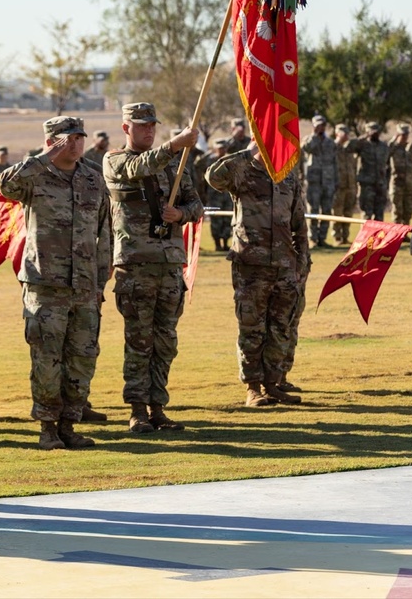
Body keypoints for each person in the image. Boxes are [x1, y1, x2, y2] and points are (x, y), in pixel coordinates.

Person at [0, 116, 111, 450]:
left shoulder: (92, 178)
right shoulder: (35, 176)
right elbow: (5, 185)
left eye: (80, 138)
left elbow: (104, 230)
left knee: (82, 357)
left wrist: (102, 275)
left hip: (85, 287)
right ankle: (47, 428)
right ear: (51, 141)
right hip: (46, 285)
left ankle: (69, 425)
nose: (76, 144)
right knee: (47, 360)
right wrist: (43, 157)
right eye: (68, 139)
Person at [103, 103, 203, 433]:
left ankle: (158, 407)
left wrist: (182, 215)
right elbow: (140, 167)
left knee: (165, 342)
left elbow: (196, 204)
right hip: (136, 265)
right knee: (139, 342)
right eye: (142, 125)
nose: (148, 130)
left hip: (170, 264)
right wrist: (175, 143)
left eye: (152, 125)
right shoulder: (115, 160)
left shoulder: (176, 164)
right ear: (125, 128)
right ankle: (137, 410)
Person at [205, 142, 310, 407]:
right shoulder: (242, 171)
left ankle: (273, 384)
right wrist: (248, 151)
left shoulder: (288, 177)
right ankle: (253, 388)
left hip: (285, 265)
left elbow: (299, 225)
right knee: (252, 328)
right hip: (251, 264)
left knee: (280, 327)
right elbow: (212, 177)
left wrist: (302, 263)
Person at [300, 114, 339, 248]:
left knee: (327, 211)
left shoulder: (330, 143)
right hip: (314, 182)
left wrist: (336, 181)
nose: (320, 127)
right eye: (318, 125)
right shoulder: (308, 140)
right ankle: (313, 239)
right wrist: (314, 135)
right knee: (313, 210)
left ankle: (322, 238)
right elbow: (306, 148)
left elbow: (335, 163)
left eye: (322, 125)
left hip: (328, 182)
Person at [196, 139, 234, 251]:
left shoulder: (230, 160)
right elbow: (198, 164)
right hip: (213, 196)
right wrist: (209, 152)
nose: (221, 150)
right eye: (219, 148)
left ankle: (226, 243)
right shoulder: (210, 160)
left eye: (223, 148)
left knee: (227, 220)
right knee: (216, 220)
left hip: (227, 195)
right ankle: (217, 244)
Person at [353, 122, 391, 221]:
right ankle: (366, 236)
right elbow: (349, 147)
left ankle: (378, 236)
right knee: (367, 215)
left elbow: (388, 165)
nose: (375, 134)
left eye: (377, 132)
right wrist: (363, 137)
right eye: (373, 132)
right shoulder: (362, 145)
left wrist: (386, 181)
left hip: (380, 184)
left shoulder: (384, 146)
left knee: (379, 215)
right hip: (367, 185)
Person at [331, 124, 359, 245]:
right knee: (337, 212)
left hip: (350, 185)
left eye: (347, 132)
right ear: (337, 133)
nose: (346, 135)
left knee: (348, 213)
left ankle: (345, 237)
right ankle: (337, 237)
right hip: (338, 186)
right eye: (343, 132)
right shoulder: (332, 148)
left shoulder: (349, 150)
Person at [388, 123, 412, 225]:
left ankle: (404, 233)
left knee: (408, 210)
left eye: (406, 134)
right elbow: (386, 153)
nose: (405, 137)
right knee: (397, 211)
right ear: (398, 134)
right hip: (397, 185)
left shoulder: (409, 148)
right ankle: (397, 233)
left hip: (409, 184)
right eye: (403, 135)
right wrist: (393, 140)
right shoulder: (393, 148)